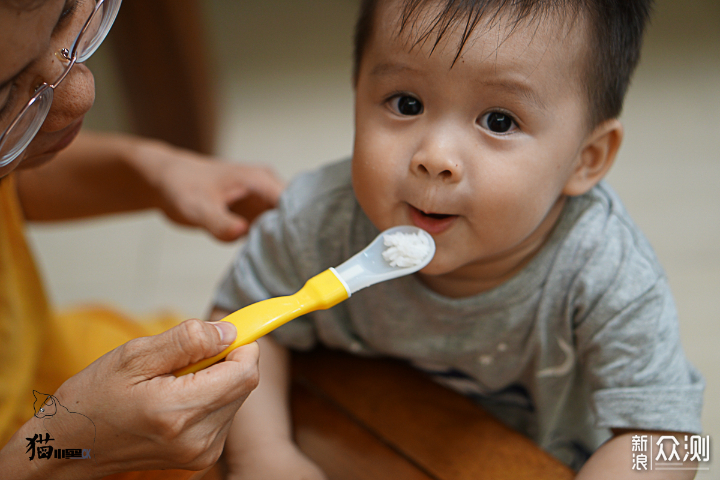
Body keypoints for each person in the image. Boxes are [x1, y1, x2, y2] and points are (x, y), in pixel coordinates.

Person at [212, 0, 705, 478]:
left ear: (587, 158)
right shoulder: (319, 220)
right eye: (407, 104)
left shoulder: (608, 271)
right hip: (355, 432)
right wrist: (264, 457)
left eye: (499, 121)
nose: (435, 156)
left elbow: (674, 441)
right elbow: (240, 325)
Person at [0, 0, 284, 478]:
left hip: (49, 363)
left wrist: (149, 171)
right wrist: (68, 449)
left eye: (69, 16)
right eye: (5, 97)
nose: (80, 95)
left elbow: (14, 174)